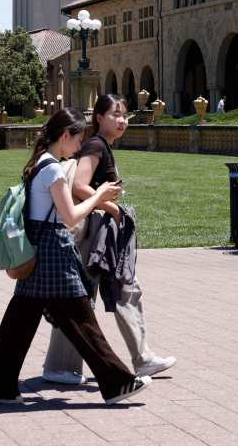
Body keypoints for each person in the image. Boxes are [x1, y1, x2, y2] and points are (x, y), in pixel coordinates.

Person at [0, 109, 150, 405]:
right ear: (65, 135)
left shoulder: (39, 163)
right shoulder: (53, 169)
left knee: (23, 317)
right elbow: (70, 217)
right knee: (79, 317)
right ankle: (118, 383)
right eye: (78, 138)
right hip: (53, 250)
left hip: (39, 247)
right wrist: (99, 196)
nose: (80, 145)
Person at [43, 94, 177, 386]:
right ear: (99, 118)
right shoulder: (96, 145)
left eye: (125, 115)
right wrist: (112, 208)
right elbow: (79, 185)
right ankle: (62, 366)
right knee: (99, 293)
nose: (122, 120)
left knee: (108, 291)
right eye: (115, 114)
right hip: (93, 231)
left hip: (99, 230)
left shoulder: (101, 146)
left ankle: (136, 358)